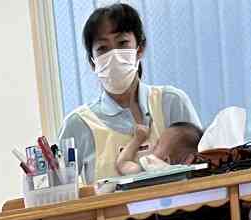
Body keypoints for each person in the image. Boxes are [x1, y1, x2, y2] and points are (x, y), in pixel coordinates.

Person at [58, 4, 201, 184]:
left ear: (140, 48)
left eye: (122, 43)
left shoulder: (172, 103)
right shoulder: (77, 125)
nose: (114, 55)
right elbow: (62, 193)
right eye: (102, 48)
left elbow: (204, 171)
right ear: (92, 62)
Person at [114, 120, 199, 176]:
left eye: (158, 144)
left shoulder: (151, 166)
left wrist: (138, 139)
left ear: (166, 160)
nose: (154, 145)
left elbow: (122, 163)